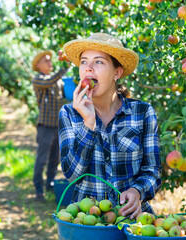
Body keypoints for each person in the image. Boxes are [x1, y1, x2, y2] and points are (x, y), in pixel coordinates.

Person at [58, 33, 162, 219]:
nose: (88, 69)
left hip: (133, 219)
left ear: (117, 72)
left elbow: (153, 171)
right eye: (84, 62)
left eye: (98, 62)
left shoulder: (142, 113)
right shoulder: (70, 114)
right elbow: (72, 175)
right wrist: (88, 124)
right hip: (88, 222)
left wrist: (137, 192)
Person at [32, 50, 69, 202]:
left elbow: (64, 97)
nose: (50, 62)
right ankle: (38, 189)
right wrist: (65, 67)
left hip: (57, 126)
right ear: (38, 65)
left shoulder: (59, 81)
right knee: (42, 159)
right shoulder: (39, 80)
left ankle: (50, 185)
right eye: (46, 60)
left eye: (50, 60)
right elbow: (50, 81)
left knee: (55, 158)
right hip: (45, 126)